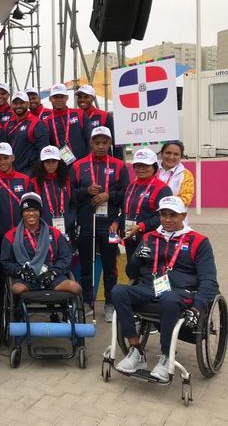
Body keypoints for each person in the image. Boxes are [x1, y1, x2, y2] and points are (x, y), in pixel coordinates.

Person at [113, 196, 219, 382]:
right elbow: (131, 273)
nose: (168, 219)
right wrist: (137, 257)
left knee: (168, 299)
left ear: (183, 215)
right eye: (163, 215)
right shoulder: (149, 237)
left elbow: (209, 281)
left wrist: (198, 307)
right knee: (118, 291)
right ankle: (136, 351)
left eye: (173, 215)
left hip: (180, 292)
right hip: (149, 287)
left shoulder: (199, 241)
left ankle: (166, 356)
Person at [71, 127, 129, 321]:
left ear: (110, 143)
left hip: (110, 224)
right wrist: (86, 191)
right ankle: (87, 301)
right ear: (91, 143)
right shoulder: (79, 166)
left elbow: (126, 195)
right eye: (97, 142)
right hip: (86, 223)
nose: (101, 146)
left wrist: (108, 195)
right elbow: (71, 195)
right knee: (87, 265)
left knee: (110, 265)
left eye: (105, 142)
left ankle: (110, 303)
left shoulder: (119, 165)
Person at [0, 192, 80, 295]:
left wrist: (53, 271)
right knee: (17, 289)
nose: (31, 214)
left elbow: (66, 257)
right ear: (22, 213)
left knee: (75, 287)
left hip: (51, 276)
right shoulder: (11, 235)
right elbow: (5, 262)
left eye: (35, 210)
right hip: (26, 278)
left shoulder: (54, 233)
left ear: (40, 212)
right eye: (27, 211)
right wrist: (20, 271)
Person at [117, 148, 172, 261]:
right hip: (130, 237)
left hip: (149, 240)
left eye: (145, 165)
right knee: (132, 271)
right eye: (138, 165)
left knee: (146, 271)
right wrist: (117, 223)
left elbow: (165, 217)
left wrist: (141, 226)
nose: (141, 169)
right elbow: (125, 210)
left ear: (154, 167)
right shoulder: (131, 186)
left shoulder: (162, 189)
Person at [0, 143, 30, 252]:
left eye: (6, 158)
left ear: (13, 158)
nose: (2, 162)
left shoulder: (25, 179)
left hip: (23, 233)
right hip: (1, 235)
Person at [30, 146, 76, 239]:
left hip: (66, 228)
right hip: (43, 229)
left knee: (66, 253)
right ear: (42, 163)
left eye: (54, 161)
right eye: (47, 162)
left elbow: (73, 203)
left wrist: (70, 219)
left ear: (59, 162)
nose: (51, 165)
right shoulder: (34, 182)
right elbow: (32, 208)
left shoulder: (67, 180)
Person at [4, 90, 50, 176]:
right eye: (15, 103)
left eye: (21, 103)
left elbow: (43, 152)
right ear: (11, 105)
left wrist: (34, 173)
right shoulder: (8, 124)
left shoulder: (37, 124)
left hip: (29, 173)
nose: (18, 106)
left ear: (28, 104)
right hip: (11, 172)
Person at [43, 83, 89, 165]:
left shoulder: (80, 114)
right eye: (55, 97)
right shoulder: (46, 121)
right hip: (61, 166)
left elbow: (90, 138)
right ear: (50, 99)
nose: (59, 100)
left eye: (62, 97)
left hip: (83, 163)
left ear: (67, 97)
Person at [76, 85, 123, 159]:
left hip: (103, 162)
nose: (82, 99)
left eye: (86, 97)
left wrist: (118, 162)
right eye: (80, 97)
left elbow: (117, 142)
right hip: (82, 161)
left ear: (93, 98)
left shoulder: (104, 116)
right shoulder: (73, 117)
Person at [157, 141, 194, 207]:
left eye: (176, 154)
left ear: (181, 156)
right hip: (149, 215)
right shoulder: (150, 170)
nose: (171, 157)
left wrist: (164, 205)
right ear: (162, 153)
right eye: (168, 153)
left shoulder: (186, 175)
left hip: (172, 215)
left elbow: (186, 199)